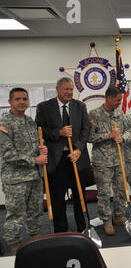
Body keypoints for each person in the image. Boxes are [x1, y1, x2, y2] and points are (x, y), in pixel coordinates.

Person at [35, 77, 91, 233]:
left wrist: (79, 149)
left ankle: (84, 227)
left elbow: (86, 129)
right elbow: (39, 130)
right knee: (58, 197)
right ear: (58, 89)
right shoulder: (44, 107)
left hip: (77, 158)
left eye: (71, 89)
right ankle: (61, 230)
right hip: (56, 159)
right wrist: (58, 132)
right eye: (66, 89)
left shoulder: (80, 106)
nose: (69, 92)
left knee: (80, 195)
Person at [0, 88, 48, 254]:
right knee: (16, 214)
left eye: (25, 99)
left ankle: (34, 237)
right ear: (10, 102)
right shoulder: (4, 124)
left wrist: (41, 150)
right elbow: (8, 155)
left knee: (35, 211)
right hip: (16, 179)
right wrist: (35, 159)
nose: (22, 102)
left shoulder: (30, 122)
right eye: (18, 99)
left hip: (34, 176)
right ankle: (14, 246)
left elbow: (33, 147)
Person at [88, 87, 131, 236]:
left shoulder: (119, 113)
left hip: (119, 158)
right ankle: (106, 220)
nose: (119, 103)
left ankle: (119, 215)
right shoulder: (94, 114)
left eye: (120, 100)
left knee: (121, 189)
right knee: (104, 192)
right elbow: (89, 137)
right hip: (102, 161)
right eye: (117, 100)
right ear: (108, 98)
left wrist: (123, 138)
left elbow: (129, 130)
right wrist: (109, 135)